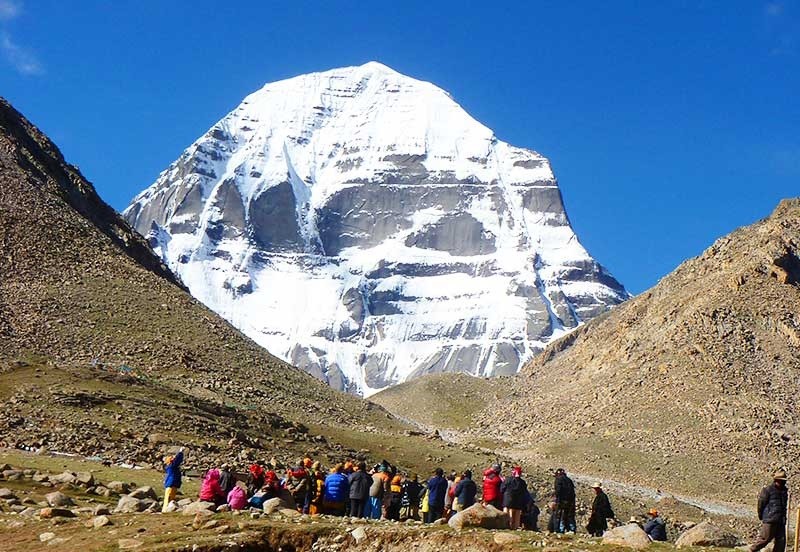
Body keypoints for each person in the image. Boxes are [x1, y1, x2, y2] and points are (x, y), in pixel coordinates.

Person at [750, 469, 789, 552]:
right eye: (781, 481)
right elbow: (761, 504)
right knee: (764, 539)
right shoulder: (767, 490)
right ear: (776, 480)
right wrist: (761, 516)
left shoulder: (784, 491)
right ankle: (751, 550)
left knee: (781, 542)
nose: (782, 483)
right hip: (770, 519)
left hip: (781, 520)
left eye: (783, 481)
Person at [501, 465, 528, 530]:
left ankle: (506, 525)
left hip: (508, 500)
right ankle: (516, 526)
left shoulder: (508, 480)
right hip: (518, 502)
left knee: (507, 514)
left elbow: (502, 489)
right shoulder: (523, 483)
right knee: (517, 515)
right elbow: (524, 492)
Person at [162, 447, 184, 512]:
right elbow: (177, 460)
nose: (173, 458)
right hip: (171, 484)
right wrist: (180, 452)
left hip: (173, 484)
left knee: (171, 498)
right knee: (168, 498)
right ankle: (165, 510)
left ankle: (168, 510)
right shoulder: (172, 466)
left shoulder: (171, 466)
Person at [554, 468, 576, 533]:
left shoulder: (558, 480)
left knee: (559, 516)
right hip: (570, 502)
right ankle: (572, 529)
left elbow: (558, 491)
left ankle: (558, 530)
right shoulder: (569, 480)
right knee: (569, 516)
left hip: (561, 501)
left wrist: (557, 500)